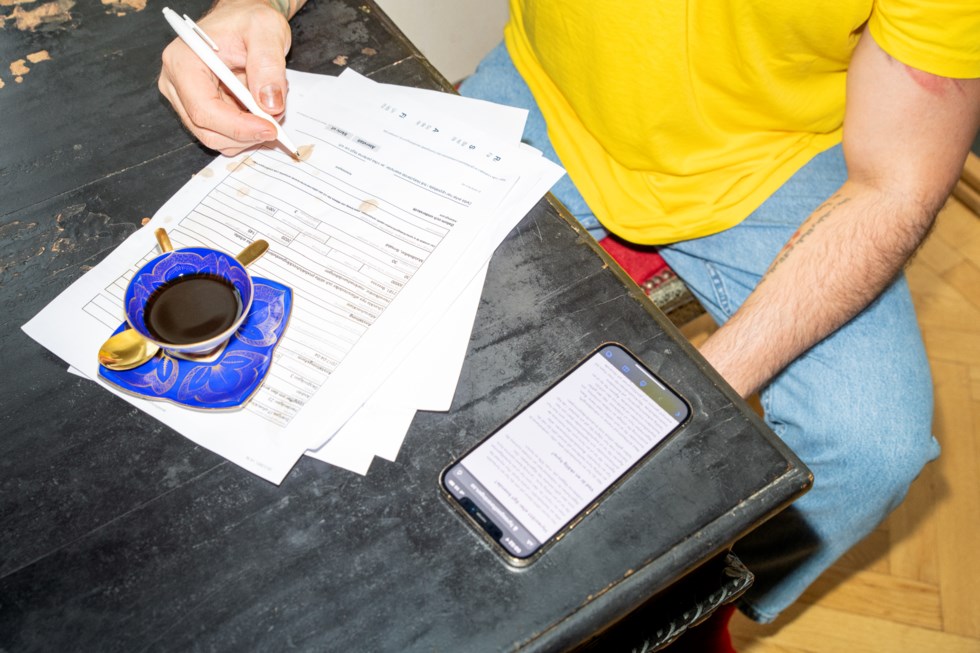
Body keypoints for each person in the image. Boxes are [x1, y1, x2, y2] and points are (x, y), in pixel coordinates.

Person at [159, 0, 980, 634]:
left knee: (873, 450)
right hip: (551, 98)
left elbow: (896, 185)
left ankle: (688, 609)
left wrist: (692, 392)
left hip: (774, 158)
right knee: (358, 329)